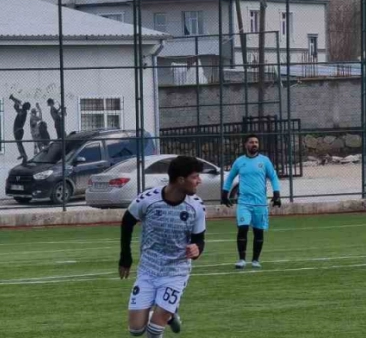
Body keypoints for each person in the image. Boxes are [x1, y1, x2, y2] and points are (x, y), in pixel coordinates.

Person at [119, 155, 207, 337]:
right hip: (148, 269)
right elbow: (127, 222)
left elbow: (199, 239)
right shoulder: (148, 199)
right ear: (180, 180)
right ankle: (169, 314)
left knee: (154, 330)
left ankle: (166, 312)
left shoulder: (196, 206)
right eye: (195, 177)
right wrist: (125, 257)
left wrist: (197, 249)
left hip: (176, 271)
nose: (199, 181)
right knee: (136, 330)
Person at [221, 134, 281, 269]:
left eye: (256, 142)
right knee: (242, 229)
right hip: (244, 203)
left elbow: (273, 177)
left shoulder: (264, 161)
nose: (254, 144)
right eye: (251, 142)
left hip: (260, 203)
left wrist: (276, 194)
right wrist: (225, 193)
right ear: (246, 145)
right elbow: (230, 178)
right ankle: (241, 259)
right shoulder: (239, 161)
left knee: (258, 232)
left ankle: (255, 260)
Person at [8, 95, 30, 162]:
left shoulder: (23, 112)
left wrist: (14, 99)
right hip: (18, 129)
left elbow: (16, 107)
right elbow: (16, 107)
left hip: (18, 130)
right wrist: (15, 100)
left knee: (19, 143)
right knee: (19, 143)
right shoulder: (23, 111)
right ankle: (23, 154)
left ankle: (24, 155)